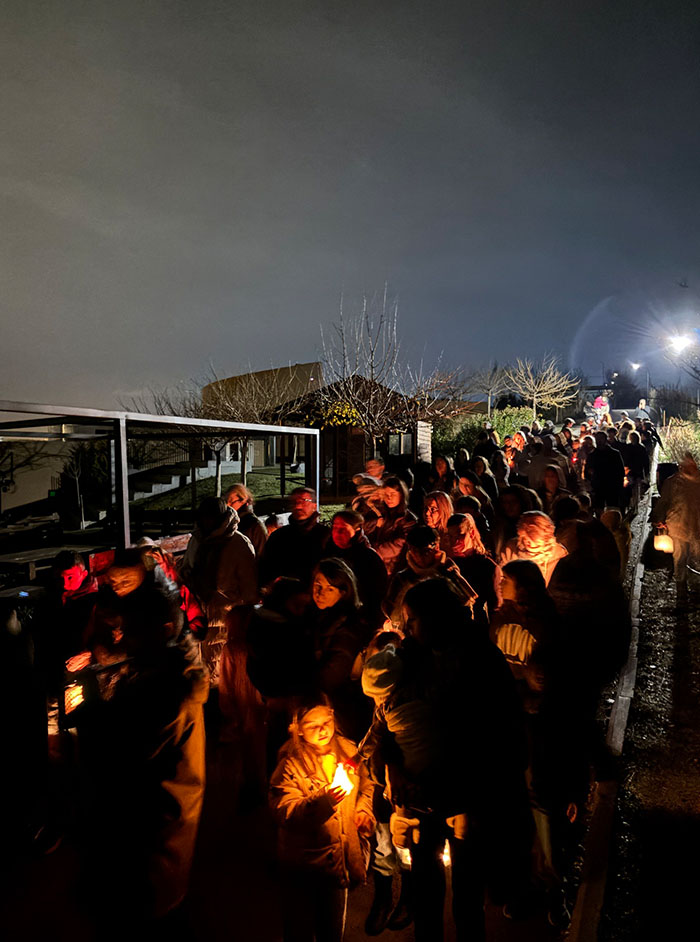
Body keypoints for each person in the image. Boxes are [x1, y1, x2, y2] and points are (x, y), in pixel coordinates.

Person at [67, 549, 208, 933]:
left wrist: (88, 717)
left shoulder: (168, 688)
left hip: (154, 824)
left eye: (128, 631)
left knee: (149, 909)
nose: (119, 637)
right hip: (145, 820)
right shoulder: (154, 672)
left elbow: (132, 751)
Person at [269, 699, 376, 942]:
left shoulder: (349, 752)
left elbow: (366, 786)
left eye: (326, 722)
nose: (322, 730)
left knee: (333, 928)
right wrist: (324, 802)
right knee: (300, 929)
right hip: (303, 863)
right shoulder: (290, 764)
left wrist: (363, 810)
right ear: (297, 729)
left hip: (339, 861)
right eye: (312, 725)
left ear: (333, 717)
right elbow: (285, 811)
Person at [307, 559, 369, 740]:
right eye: (318, 585)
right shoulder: (315, 616)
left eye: (330, 589)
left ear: (343, 592)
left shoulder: (348, 627)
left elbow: (332, 674)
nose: (320, 593)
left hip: (338, 709)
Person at [384, 525, 478, 626]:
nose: (419, 556)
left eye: (425, 551)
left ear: (436, 548)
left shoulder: (448, 573)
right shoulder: (402, 578)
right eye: (415, 551)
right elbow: (390, 607)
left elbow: (465, 608)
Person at [324, 511, 388, 628]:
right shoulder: (326, 553)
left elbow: (377, 593)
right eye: (335, 527)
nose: (337, 533)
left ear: (357, 530)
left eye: (343, 528)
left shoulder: (369, 558)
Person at [260, 487, 329, 589]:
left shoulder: (325, 535)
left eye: (304, 501)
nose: (298, 505)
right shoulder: (279, 536)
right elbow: (266, 568)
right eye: (295, 501)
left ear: (314, 506)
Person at [653, 452, 700, 588]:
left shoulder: (672, 482)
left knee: (683, 559)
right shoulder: (673, 482)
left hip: (685, 525)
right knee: (681, 559)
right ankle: (683, 591)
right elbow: (663, 503)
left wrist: (658, 518)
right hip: (680, 526)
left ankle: (688, 589)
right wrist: (658, 518)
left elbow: (663, 503)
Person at [446, 513, 500, 625]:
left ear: (471, 533)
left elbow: (495, 607)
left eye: (459, 536)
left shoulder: (488, 567)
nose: (454, 542)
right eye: (451, 537)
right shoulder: (450, 565)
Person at [362, 475, 417, 577]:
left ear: (401, 495)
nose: (389, 498)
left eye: (393, 494)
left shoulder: (408, 519)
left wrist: (373, 550)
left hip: (394, 569)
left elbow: (399, 544)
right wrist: (371, 507)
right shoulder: (380, 514)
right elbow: (364, 529)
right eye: (386, 494)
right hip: (375, 566)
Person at [499, 511, 568, 586]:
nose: (526, 540)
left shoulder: (559, 555)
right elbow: (501, 578)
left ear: (547, 532)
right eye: (523, 536)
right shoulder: (511, 548)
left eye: (531, 532)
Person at [225, 483, 268, 557]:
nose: (228, 505)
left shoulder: (255, 526)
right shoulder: (227, 523)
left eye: (232, 501)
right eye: (226, 501)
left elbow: (262, 554)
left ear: (243, 501)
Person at [585, 432, 625, 512]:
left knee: (612, 508)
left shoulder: (614, 454)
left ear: (605, 440)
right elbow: (587, 472)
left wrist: (619, 485)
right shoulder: (592, 455)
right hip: (598, 487)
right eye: (597, 439)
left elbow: (620, 471)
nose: (599, 441)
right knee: (599, 509)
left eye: (601, 439)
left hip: (612, 486)